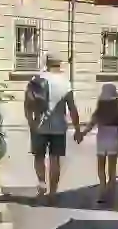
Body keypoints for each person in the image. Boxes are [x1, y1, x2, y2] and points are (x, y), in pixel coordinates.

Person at [24, 54, 80, 201]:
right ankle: (53, 192)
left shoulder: (36, 80)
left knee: (39, 157)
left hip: (39, 126)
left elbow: (27, 103)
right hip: (59, 127)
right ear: (60, 64)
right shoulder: (65, 83)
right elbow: (72, 108)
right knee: (55, 159)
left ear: (46, 63)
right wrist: (78, 129)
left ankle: (42, 184)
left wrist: (31, 121)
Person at [77, 83, 118, 205]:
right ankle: (111, 193)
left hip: (101, 140)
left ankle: (102, 190)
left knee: (101, 168)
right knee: (112, 169)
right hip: (114, 140)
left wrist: (82, 134)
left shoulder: (99, 111)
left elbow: (90, 125)